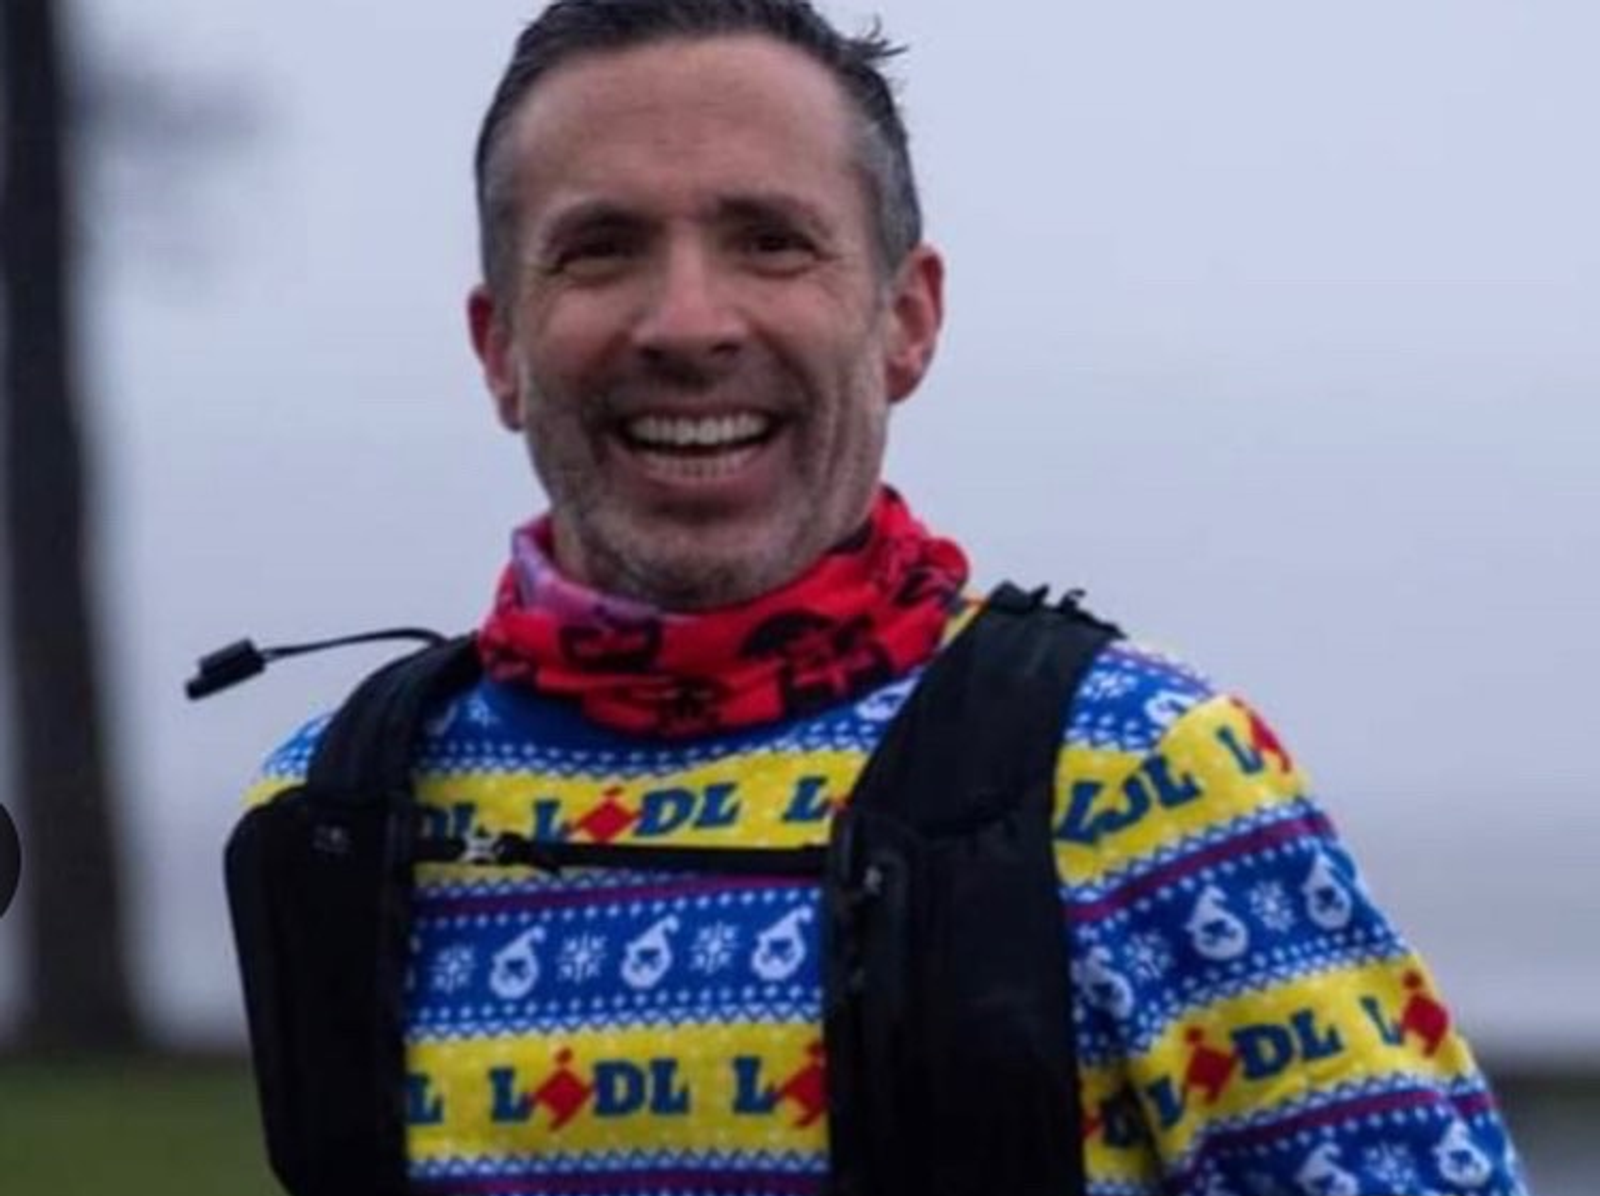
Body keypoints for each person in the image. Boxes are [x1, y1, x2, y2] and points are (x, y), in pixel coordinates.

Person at [243, 2, 1528, 1193]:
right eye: (601, 248)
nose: (687, 321)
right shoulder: (335, 810)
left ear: (907, 319)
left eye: (770, 241)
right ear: (498, 350)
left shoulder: (1149, 780)